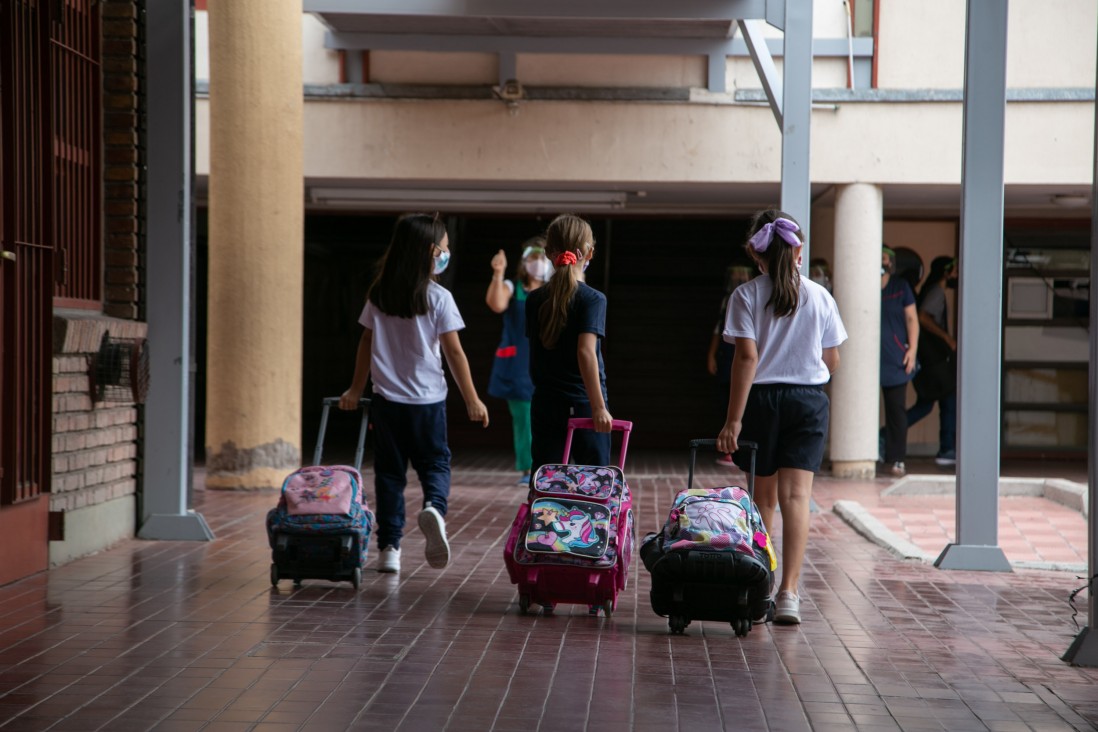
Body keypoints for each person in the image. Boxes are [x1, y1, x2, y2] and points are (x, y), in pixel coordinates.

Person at [716, 210, 847, 625]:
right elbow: (833, 360)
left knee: (764, 499)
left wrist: (733, 421)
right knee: (797, 498)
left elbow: (746, 357)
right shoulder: (821, 297)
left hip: (761, 402)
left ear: (758, 258)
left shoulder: (746, 296)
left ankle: (761, 585)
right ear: (798, 252)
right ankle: (789, 594)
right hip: (808, 401)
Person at [339, 213, 489, 574]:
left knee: (390, 475)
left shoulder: (380, 294)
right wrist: (472, 398)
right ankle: (434, 507)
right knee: (434, 463)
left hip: (387, 402)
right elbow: (454, 352)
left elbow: (365, 340)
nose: (446, 254)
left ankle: (389, 548)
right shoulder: (438, 297)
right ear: (430, 251)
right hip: (427, 403)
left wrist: (355, 388)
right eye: (445, 249)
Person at [526, 214, 612, 472]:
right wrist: (599, 406)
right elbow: (586, 353)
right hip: (584, 403)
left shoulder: (534, 299)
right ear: (589, 252)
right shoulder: (593, 299)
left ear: (548, 253)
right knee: (594, 482)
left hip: (545, 402)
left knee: (545, 478)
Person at [486, 238, 552, 485]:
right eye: (534, 258)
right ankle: (529, 469)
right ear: (525, 261)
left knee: (551, 415)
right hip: (517, 365)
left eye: (544, 257)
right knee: (524, 417)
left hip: (547, 360)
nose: (539, 263)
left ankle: (550, 468)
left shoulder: (555, 288)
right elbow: (496, 303)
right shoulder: (513, 287)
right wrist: (498, 273)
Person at [908, 256, 958, 466]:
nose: (957, 275)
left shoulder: (932, 289)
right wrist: (947, 338)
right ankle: (947, 449)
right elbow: (922, 317)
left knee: (928, 404)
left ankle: (883, 438)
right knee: (947, 400)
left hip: (932, 359)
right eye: (954, 271)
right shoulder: (936, 291)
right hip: (935, 359)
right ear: (946, 272)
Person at [707, 265, 753, 467]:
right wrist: (712, 354)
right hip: (729, 353)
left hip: (746, 353)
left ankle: (738, 446)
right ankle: (730, 447)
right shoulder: (733, 298)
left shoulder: (751, 296)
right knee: (729, 395)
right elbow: (719, 328)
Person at [880, 245, 919, 477]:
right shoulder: (864, 282)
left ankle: (897, 459)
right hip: (867, 361)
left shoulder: (901, 287)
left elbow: (912, 319)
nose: (881, 262)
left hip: (896, 358)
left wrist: (912, 350)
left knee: (896, 411)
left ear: (892, 263)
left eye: (885, 258)